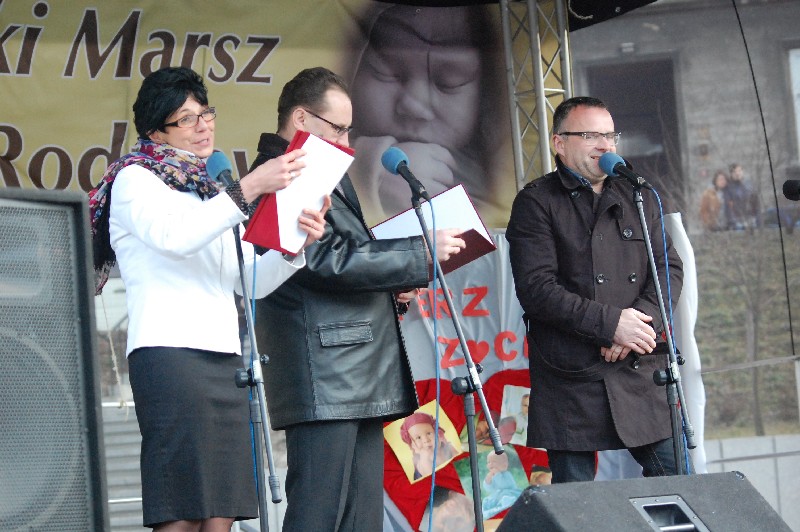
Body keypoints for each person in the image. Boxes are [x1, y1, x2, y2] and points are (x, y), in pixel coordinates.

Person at [88, 66, 329, 531]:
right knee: (182, 512)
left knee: (221, 513)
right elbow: (175, 237)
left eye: (206, 114)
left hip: (225, 362)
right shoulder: (135, 179)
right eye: (186, 119)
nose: (203, 126)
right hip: (170, 356)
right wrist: (250, 187)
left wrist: (296, 245)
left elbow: (247, 279)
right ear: (156, 131)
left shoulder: (209, 188)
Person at [248, 66, 466, 531]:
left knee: (360, 517)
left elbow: (347, 258)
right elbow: (324, 259)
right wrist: (418, 253)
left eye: (349, 130)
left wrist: (395, 285)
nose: (347, 142)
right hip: (324, 372)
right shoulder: (282, 172)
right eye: (338, 128)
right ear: (301, 119)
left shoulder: (322, 170)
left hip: (355, 367)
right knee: (319, 514)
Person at [505, 96, 684, 484]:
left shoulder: (637, 194)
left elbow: (668, 268)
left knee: (680, 484)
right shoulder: (536, 201)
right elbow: (537, 289)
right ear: (559, 143)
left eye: (610, 135)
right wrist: (611, 325)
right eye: (590, 136)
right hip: (571, 375)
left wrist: (636, 326)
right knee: (577, 502)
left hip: (637, 366)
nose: (605, 145)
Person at [341, 3, 514, 228]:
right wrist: (368, 172)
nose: (414, 106)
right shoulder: (316, 168)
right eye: (388, 72)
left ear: (486, 95)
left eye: (449, 82)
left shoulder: (499, 184)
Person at [399, 412, 460, 479]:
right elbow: (435, 478)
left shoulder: (448, 447)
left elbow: (461, 461)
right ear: (413, 445)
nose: (426, 440)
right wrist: (425, 456)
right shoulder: (422, 461)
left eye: (428, 433)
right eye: (418, 438)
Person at [725, 162, 759, 229]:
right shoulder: (728, 187)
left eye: (739, 170)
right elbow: (729, 207)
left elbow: (756, 202)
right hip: (737, 222)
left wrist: (756, 216)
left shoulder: (749, 184)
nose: (737, 173)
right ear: (731, 174)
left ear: (742, 171)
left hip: (751, 219)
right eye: (734, 172)